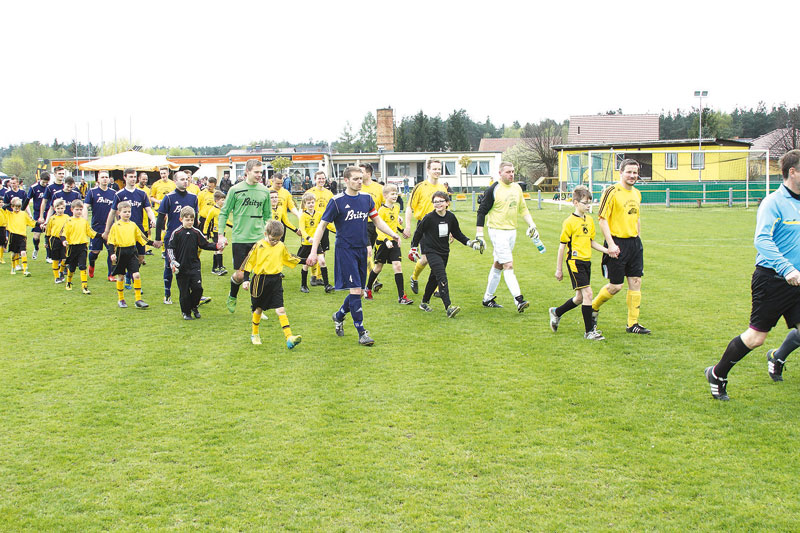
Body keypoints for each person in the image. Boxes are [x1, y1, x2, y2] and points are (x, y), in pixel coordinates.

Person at [705, 149, 800, 400]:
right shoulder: (773, 203)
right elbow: (762, 241)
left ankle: (778, 356)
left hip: (798, 281)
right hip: (772, 280)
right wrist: (787, 268)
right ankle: (717, 373)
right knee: (756, 337)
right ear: (793, 172)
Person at [306, 166, 401, 346]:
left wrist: (393, 234)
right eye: (356, 179)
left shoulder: (367, 199)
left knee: (359, 290)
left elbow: (377, 221)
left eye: (360, 178)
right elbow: (321, 226)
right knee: (356, 290)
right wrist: (313, 251)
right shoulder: (337, 201)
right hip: (345, 250)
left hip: (361, 249)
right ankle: (362, 332)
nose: (359, 181)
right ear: (346, 181)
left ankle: (339, 315)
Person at [591, 158, 650, 334]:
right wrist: (611, 244)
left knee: (636, 282)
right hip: (616, 243)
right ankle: (592, 308)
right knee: (616, 286)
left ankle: (633, 324)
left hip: (634, 244)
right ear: (621, 172)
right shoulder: (611, 191)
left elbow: (636, 217)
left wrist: (638, 238)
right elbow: (602, 220)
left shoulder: (637, 194)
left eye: (635, 172)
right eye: (629, 172)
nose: (632, 175)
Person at [475, 161, 537, 313]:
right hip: (497, 231)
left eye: (513, 171)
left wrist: (532, 224)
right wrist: (479, 234)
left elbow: (523, 209)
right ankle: (519, 300)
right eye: (508, 172)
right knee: (508, 265)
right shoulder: (493, 189)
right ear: (500, 173)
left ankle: (487, 298)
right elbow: (481, 211)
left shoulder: (516, 188)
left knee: (498, 264)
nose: (511, 174)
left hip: (511, 231)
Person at [411, 191, 483, 317]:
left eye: (441, 201)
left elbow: (457, 234)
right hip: (431, 251)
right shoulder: (428, 218)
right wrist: (413, 248)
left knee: (434, 278)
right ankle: (448, 307)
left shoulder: (451, 217)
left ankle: (424, 303)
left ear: (447, 203)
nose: (438, 204)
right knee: (441, 277)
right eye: (435, 202)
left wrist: (470, 243)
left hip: (444, 252)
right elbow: (418, 232)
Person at [550, 186, 608, 340]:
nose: (588, 205)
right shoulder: (569, 222)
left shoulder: (589, 220)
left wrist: (607, 251)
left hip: (586, 261)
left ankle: (557, 312)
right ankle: (589, 332)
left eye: (590, 202)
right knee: (588, 293)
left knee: (580, 298)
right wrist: (559, 269)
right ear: (575, 203)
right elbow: (562, 246)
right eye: (585, 203)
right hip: (575, 262)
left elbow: (591, 242)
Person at [218, 159, 272, 313]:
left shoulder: (264, 191)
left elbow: (268, 215)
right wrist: (221, 235)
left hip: (259, 239)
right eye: (256, 172)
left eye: (260, 172)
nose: (259, 175)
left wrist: (268, 235)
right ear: (247, 172)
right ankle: (232, 294)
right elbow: (224, 212)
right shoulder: (235, 190)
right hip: (240, 238)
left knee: (259, 275)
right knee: (241, 275)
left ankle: (256, 309)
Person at [239, 219, 302, 348]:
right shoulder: (259, 245)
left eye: (278, 239)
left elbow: (289, 258)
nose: (275, 242)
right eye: (272, 239)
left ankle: (289, 337)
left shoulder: (281, 246)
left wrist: (306, 261)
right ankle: (255, 334)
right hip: (260, 280)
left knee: (281, 309)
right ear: (265, 234)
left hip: (276, 280)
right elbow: (249, 262)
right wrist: (246, 279)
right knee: (258, 309)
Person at [102, 168, 157, 287]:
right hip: (124, 231)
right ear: (125, 177)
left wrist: (153, 219)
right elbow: (112, 212)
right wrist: (107, 230)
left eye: (134, 177)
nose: (133, 179)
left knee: (141, 258)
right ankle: (132, 278)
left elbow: (148, 209)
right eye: (130, 177)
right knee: (125, 256)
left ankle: (130, 274)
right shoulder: (119, 194)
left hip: (139, 230)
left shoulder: (142, 194)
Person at [167, 206, 221, 320]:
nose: (190, 222)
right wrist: (172, 261)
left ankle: (194, 306)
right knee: (184, 292)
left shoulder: (196, 232)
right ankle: (186, 312)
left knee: (198, 288)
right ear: (181, 219)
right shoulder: (176, 233)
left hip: (194, 266)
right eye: (187, 220)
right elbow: (170, 248)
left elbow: (204, 244)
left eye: (192, 220)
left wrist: (216, 246)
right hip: (181, 267)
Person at [154, 171, 199, 305]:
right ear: (175, 181)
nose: (185, 181)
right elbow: (160, 218)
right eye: (182, 179)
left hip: (188, 238)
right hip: (172, 238)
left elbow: (195, 220)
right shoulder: (168, 198)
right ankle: (167, 294)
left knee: (189, 266)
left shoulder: (193, 197)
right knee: (170, 265)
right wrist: (157, 238)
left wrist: (197, 235)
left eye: (187, 179)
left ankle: (192, 293)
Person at [404, 159, 448, 294]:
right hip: (424, 226)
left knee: (439, 257)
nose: (437, 171)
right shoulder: (420, 187)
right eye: (434, 169)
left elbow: (447, 209)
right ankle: (414, 277)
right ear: (428, 170)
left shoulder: (442, 188)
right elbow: (409, 208)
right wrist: (408, 227)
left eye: (439, 169)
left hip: (440, 226)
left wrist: (450, 230)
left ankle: (436, 288)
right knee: (426, 259)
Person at [366, 183, 412, 304]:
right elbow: (378, 228)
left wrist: (402, 231)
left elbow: (394, 224)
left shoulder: (396, 208)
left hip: (394, 241)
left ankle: (401, 296)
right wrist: (386, 241)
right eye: (392, 194)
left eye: (396, 193)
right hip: (382, 243)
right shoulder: (381, 210)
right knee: (378, 267)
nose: (395, 196)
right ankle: (368, 288)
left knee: (397, 265)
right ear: (385, 195)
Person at [107, 201, 153, 309]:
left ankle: (138, 300)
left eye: (129, 211)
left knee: (136, 274)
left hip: (132, 252)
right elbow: (111, 241)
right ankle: (121, 299)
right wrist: (112, 254)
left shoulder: (133, 225)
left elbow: (141, 237)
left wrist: (152, 243)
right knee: (121, 276)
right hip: (120, 252)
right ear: (119, 213)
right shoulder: (115, 226)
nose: (127, 214)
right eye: (125, 212)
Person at [84, 171, 117, 280]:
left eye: (106, 177)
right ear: (98, 179)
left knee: (111, 251)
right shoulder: (92, 192)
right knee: (95, 252)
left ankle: (111, 274)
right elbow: (85, 206)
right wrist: (84, 221)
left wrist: (118, 223)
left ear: (109, 179)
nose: (104, 179)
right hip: (96, 227)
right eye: (102, 177)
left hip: (110, 227)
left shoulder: (113, 193)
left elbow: (116, 210)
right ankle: (91, 265)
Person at [60, 199, 96, 294]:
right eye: (77, 209)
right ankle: (69, 282)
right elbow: (63, 233)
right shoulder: (69, 221)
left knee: (82, 266)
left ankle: (84, 287)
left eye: (81, 209)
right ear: (72, 210)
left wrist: (101, 236)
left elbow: (90, 232)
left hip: (83, 246)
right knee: (72, 267)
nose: (79, 211)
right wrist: (64, 241)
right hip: (72, 247)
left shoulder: (84, 222)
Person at [308, 170, 334, 288]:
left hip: (325, 225)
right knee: (314, 250)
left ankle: (318, 276)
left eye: (323, 178)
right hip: (313, 226)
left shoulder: (329, 193)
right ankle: (314, 276)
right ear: (315, 180)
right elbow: (304, 208)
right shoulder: (310, 192)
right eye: (319, 178)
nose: (321, 180)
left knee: (323, 251)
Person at [358, 163, 384, 272]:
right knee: (367, 250)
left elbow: (385, 205)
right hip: (362, 224)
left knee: (372, 250)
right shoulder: (357, 187)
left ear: (368, 173)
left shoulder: (379, 188)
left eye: (361, 172)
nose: (359, 175)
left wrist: (396, 217)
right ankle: (373, 281)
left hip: (376, 224)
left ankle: (367, 273)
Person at [5, 196, 35, 276]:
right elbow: (3, 208)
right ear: (12, 206)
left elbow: (31, 222)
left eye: (19, 207)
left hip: (22, 236)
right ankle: (13, 267)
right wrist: (11, 203)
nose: (17, 208)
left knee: (23, 252)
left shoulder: (23, 214)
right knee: (14, 253)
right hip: (13, 235)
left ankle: (25, 269)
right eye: (15, 207)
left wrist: (39, 225)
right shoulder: (9, 214)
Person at [203, 190, 228, 275]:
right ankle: (220, 267)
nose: (223, 201)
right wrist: (205, 233)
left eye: (224, 200)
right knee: (219, 248)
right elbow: (207, 222)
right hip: (215, 232)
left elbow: (226, 221)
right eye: (222, 200)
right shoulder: (212, 210)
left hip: (222, 232)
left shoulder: (222, 210)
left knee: (217, 250)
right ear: (216, 201)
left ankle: (214, 268)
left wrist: (234, 226)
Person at [44, 198, 70, 282]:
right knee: (55, 259)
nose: (60, 210)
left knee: (64, 259)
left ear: (64, 208)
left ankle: (61, 271)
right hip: (54, 240)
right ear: (55, 208)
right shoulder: (52, 218)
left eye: (62, 208)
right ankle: (56, 277)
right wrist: (46, 241)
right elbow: (48, 230)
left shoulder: (67, 217)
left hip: (64, 240)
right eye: (58, 208)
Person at [27, 171, 51, 260]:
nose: (45, 184)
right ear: (40, 179)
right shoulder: (33, 188)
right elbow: (28, 199)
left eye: (46, 182)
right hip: (37, 213)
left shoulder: (49, 188)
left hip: (48, 212)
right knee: (36, 236)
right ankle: (36, 248)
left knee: (48, 234)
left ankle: (48, 256)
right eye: (43, 182)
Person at [271, 173, 301, 242]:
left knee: (280, 244)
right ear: (273, 181)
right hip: (269, 223)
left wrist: (298, 215)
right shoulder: (267, 191)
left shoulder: (286, 193)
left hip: (281, 221)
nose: (280, 185)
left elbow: (291, 206)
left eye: (281, 183)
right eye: (277, 183)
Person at [297, 192, 317, 293]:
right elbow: (302, 229)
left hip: (316, 243)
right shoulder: (303, 216)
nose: (311, 204)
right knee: (305, 264)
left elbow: (326, 225)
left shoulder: (318, 214)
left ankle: (326, 285)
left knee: (322, 261)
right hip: (306, 244)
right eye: (308, 203)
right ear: (305, 204)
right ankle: (303, 285)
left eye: (312, 202)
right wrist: (308, 237)